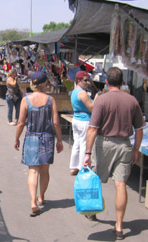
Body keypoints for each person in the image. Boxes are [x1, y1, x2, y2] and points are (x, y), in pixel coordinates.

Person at [83, 67, 144, 240]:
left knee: (96, 180)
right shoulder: (132, 101)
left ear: (107, 82)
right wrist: (136, 150)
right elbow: (139, 130)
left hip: (104, 144)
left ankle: (93, 211)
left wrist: (87, 152)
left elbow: (93, 129)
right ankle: (119, 226)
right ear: (123, 82)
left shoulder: (101, 100)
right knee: (121, 185)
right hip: (124, 145)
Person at [14, 71, 63, 217]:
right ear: (44, 84)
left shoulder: (26, 100)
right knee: (45, 171)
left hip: (31, 137)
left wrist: (16, 138)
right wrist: (59, 140)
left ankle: (33, 202)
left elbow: (21, 122)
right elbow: (56, 122)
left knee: (33, 171)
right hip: (47, 137)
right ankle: (41, 197)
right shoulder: (50, 100)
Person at [69, 71, 99, 176]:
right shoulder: (82, 93)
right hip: (84, 120)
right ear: (79, 80)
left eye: (88, 80)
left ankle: (74, 166)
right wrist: (96, 97)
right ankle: (83, 167)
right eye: (85, 80)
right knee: (83, 144)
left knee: (77, 143)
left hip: (76, 119)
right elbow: (91, 107)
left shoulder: (74, 92)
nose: (87, 82)